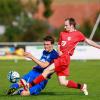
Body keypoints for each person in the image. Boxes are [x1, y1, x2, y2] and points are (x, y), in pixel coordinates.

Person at [22, 18, 100, 96]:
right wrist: (59, 51)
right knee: (62, 82)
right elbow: (59, 45)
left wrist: (98, 46)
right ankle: (82, 86)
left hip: (65, 58)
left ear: (72, 25)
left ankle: (29, 85)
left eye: (66, 25)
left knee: (46, 71)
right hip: (60, 58)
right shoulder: (62, 33)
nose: (64, 27)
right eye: (64, 25)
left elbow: (88, 41)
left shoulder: (78, 34)